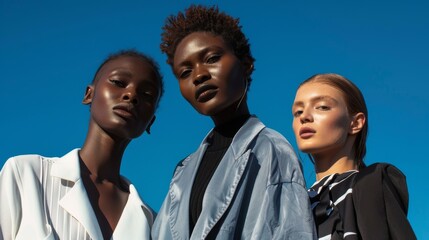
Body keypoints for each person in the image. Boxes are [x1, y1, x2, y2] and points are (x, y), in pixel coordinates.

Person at [152, 5, 315, 240]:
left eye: (211, 58)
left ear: (245, 63)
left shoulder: (272, 150)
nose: (199, 76)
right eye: (185, 72)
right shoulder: (184, 170)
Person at [0, 49, 164, 240]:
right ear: (89, 94)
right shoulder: (26, 174)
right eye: (119, 83)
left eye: (147, 95)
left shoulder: (153, 225)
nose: (131, 95)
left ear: (150, 122)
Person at [292, 73, 416, 239]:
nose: (304, 117)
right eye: (298, 112)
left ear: (356, 123)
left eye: (322, 107)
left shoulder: (370, 183)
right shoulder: (291, 203)